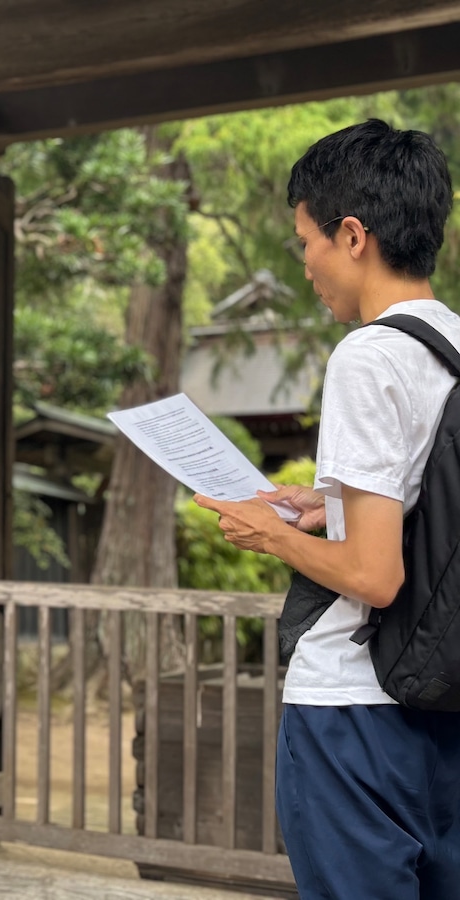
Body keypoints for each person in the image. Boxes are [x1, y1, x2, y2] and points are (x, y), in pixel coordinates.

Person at [195, 120, 460, 900]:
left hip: (355, 714)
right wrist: (327, 502)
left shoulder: (369, 356)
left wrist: (270, 535)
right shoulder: (452, 345)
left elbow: (373, 576)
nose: (304, 262)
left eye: (304, 239)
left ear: (353, 236)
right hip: (445, 702)